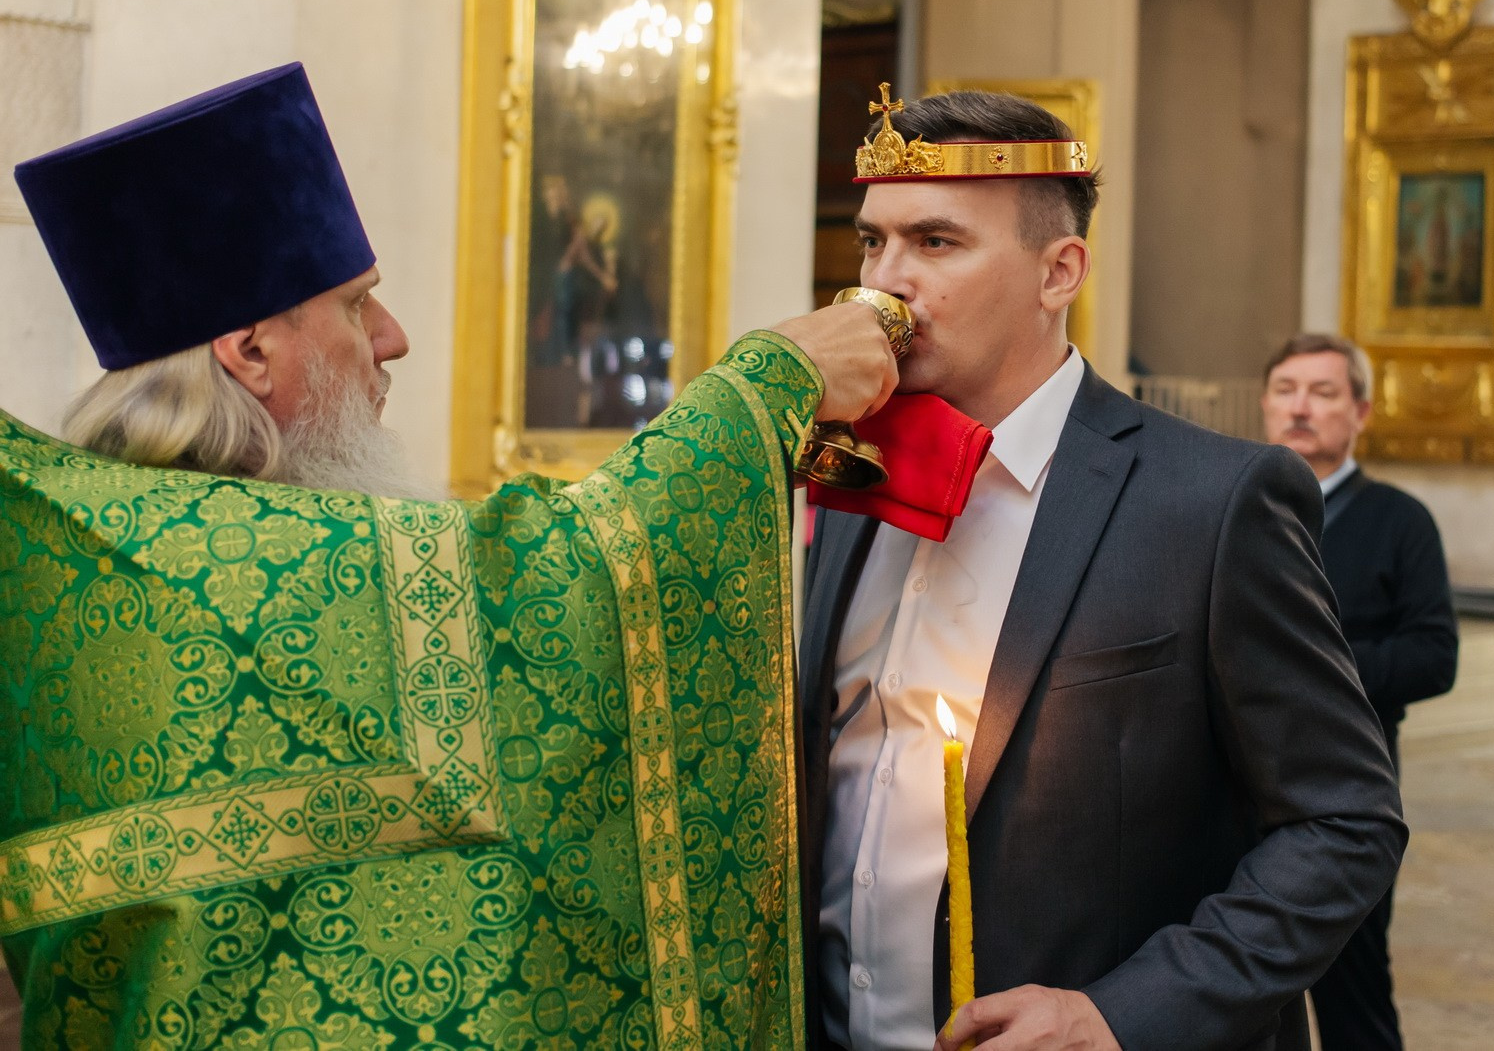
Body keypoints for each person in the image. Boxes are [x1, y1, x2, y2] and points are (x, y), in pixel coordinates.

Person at [0, 63, 898, 1049]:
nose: (394, 337)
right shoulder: (252, 573)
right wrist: (767, 383)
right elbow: (562, 585)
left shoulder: (74, 561)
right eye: (355, 304)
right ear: (250, 351)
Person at [799, 88, 1405, 1051]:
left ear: (1058, 272)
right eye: (873, 244)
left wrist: (1120, 1017)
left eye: (936, 243)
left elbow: (1344, 824)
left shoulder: (1213, 502)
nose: (882, 285)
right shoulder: (841, 478)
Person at [1259, 332, 1457, 1051]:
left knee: (1353, 990)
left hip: (1352, 788)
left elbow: (1435, 656)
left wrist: (1310, 666)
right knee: (1238, 983)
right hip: (1237, 780)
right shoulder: (1231, 503)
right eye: (1285, 390)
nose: (1300, 408)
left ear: (1361, 412)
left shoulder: (1401, 521)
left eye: (1322, 392)